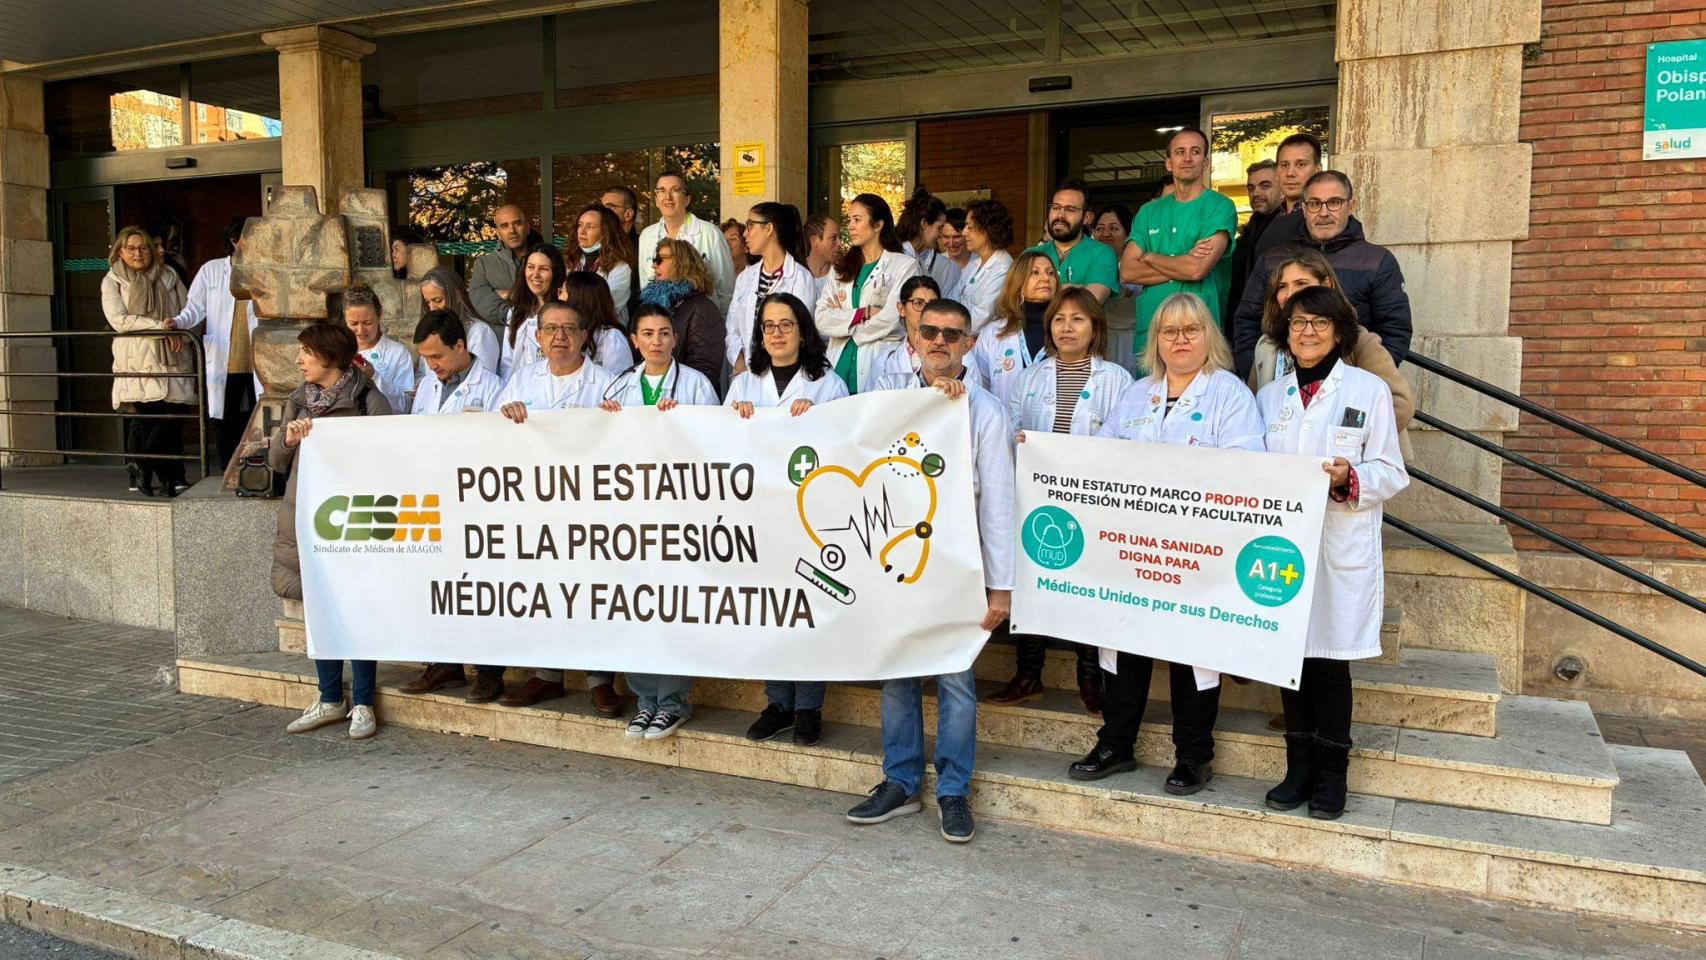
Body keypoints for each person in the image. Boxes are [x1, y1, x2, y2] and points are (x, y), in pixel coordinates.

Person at [1066, 293, 1264, 793]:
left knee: (1192, 649)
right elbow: (1102, 456)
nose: (1179, 340)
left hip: (1199, 552)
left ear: (1208, 337)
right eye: (1168, 331)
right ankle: (1116, 742)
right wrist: (1046, 455)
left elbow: (1248, 466)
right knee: (1125, 639)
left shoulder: (1230, 393)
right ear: (1155, 340)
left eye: (1190, 330)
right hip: (1133, 549)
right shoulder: (1136, 394)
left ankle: (1194, 754)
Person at [848, 298, 1014, 843]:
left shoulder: (985, 411)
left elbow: (997, 502)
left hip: (958, 568)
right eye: (930, 331)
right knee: (897, 675)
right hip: (894, 559)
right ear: (914, 339)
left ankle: (952, 791)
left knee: (956, 682)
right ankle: (899, 782)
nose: (940, 341)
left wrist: (1001, 587)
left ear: (969, 343)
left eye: (952, 333)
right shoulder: (890, 404)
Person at [1256, 285, 1408, 820]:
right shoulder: (1270, 397)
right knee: (1288, 656)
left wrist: (1350, 478)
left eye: (1319, 323)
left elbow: (1392, 470)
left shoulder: (1367, 390)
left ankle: (1332, 775)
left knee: (1328, 663)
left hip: (1339, 539)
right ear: (1285, 331)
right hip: (1281, 544)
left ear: (1339, 331)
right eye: (1298, 323)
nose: (1308, 332)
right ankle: (1297, 769)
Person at [993, 287, 1133, 714]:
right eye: (1059, 319)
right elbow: (1009, 426)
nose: (1067, 327)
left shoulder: (1116, 379)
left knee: (1087, 588)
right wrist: (1020, 442)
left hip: (1093, 504)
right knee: (1033, 584)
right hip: (1037, 500)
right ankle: (1028, 674)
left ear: (1095, 329)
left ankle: (1089, 678)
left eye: (1078, 319)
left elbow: (1125, 442)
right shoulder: (1032, 376)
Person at [490, 299, 620, 710]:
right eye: (551, 329)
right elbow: (488, 439)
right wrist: (504, 416)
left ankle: (601, 679)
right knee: (544, 590)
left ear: (585, 336)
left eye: (569, 329)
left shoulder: (608, 383)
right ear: (538, 337)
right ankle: (546, 675)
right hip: (537, 509)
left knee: (594, 590)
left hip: (591, 509)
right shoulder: (520, 382)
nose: (560, 336)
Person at [730, 293, 848, 745]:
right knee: (769, 611)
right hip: (758, 514)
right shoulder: (744, 385)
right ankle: (777, 700)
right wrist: (735, 420)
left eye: (786, 324)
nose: (776, 334)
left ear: (803, 331)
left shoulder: (828, 385)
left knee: (807, 609)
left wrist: (816, 421)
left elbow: (843, 447)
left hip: (807, 518)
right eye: (768, 325)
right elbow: (718, 447)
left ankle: (808, 707)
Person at [598, 304, 720, 739]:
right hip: (629, 519)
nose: (656, 341)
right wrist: (603, 422)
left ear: (674, 339)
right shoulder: (618, 386)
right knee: (633, 610)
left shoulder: (696, 385)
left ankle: (672, 701)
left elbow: (713, 444)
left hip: (677, 516)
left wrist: (681, 425)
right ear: (634, 340)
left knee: (669, 609)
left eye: (664, 333)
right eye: (647, 333)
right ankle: (644, 699)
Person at [270, 322, 394, 740]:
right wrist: (289, 440)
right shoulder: (297, 400)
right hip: (308, 520)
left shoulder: (367, 399)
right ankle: (328, 698)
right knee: (319, 608)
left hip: (354, 521)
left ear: (330, 357)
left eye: (306, 351)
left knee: (357, 609)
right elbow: (275, 462)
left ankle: (362, 702)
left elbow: (391, 456)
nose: (299, 359)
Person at [401, 310, 508, 702]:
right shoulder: (428, 386)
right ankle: (445, 664)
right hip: (434, 500)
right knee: (440, 585)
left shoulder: (494, 388)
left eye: (438, 357)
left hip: (476, 503)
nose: (432, 366)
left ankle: (489, 671)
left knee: (480, 588)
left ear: (461, 346)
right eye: (427, 358)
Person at [1231, 170, 1413, 379]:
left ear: (1350, 206)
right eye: (1315, 204)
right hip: (1280, 386)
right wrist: (1257, 372)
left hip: (1349, 386)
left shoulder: (1377, 260)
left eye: (1334, 202)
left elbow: (1395, 330)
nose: (1324, 212)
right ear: (1304, 208)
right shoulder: (1273, 259)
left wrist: (1361, 382)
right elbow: (1247, 320)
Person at [1246, 249, 1415, 458]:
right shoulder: (1266, 345)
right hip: (1283, 475)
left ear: (1326, 285)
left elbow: (1400, 402)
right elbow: (1253, 411)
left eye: (1301, 284)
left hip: (1354, 469)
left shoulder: (1358, 340)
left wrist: (1344, 441)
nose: (1290, 293)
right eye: (1282, 286)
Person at [1120, 128, 1238, 367]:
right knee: (1151, 400)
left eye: (1195, 152)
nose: (1187, 158)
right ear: (1169, 163)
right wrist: (1182, 262)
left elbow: (1197, 269)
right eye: (1180, 152)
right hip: (1153, 332)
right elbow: (1128, 272)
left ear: (1205, 162)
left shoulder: (1220, 206)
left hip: (1198, 331)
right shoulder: (1148, 212)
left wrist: (1150, 256)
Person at [103, 225, 193, 497]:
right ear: (120, 251)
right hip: (137, 360)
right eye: (130, 248)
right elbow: (119, 320)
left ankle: (142, 464)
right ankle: (164, 480)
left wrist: (178, 328)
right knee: (151, 420)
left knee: (174, 416)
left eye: (143, 247)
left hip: (172, 356)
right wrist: (159, 326)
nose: (137, 253)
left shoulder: (169, 276)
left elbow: (187, 311)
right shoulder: (113, 280)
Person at [168, 216, 260, 470]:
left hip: (258, 357)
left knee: (258, 414)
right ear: (233, 240)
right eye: (243, 237)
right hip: (224, 356)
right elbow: (194, 309)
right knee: (223, 415)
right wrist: (177, 323)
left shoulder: (264, 269)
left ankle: (255, 466)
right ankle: (226, 467)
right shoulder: (211, 269)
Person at [816, 192, 919, 394]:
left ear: (878, 225)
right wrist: (863, 314)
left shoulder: (903, 266)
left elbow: (891, 317)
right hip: (838, 362)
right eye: (849, 220)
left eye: (857, 219)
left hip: (876, 361)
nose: (850, 226)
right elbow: (821, 319)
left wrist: (845, 327)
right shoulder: (840, 269)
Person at [727, 202, 818, 376]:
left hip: (783, 374)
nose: (745, 233)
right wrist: (740, 364)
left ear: (768, 229)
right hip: (745, 375)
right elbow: (732, 329)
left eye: (750, 225)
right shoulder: (746, 277)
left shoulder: (800, 278)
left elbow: (797, 332)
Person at [968, 250, 1056, 414]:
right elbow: (979, 385)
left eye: (1051, 273)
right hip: (1004, 428)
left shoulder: (1066, 331)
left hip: (1050, 433)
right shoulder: (993, 333)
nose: (1045, 278)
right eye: (1035, 272)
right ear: (1018, 282)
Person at [637, 170, 736, 311]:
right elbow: (645, 285)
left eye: (675, 190)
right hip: (661, 321)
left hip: (702, 320)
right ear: (656, 200)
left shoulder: (710, 233)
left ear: (687, 199)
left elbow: (726, 288)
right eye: (662, 191)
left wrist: (721, 325)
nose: (668, 197)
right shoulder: (647, 236)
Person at [639, 238, 725, 390]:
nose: (654, 265)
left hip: (685, 402)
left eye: (661, 259)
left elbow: (705, 368)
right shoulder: (650, 306)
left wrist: (671, 394)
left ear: (682, 263)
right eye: (654, 260)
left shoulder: (703, 308)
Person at [1030, 178, 1120, 304]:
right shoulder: (1031, 254)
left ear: (1087, 218)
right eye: (1055, 207)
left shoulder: (1103, 253)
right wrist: (1077, 289)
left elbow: (1089, 304)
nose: (1060, 215)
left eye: (1070, 209)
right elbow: (1014, 299)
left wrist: (1041, 292)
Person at [1246, 133, 1323, 270]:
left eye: (1301, 164)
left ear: (1318, 170)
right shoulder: (1272, 218)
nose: (1290, 173)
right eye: (1284, 165)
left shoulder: (1324, 218)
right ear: (1276, 172)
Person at [1227, 159, 1283, 327]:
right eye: (1251, 188)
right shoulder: (1250, 232)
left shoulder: (1289, 228)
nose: (1256, 193)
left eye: (1265, 186)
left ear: (1282, 189)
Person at [498, 244, 566, 380]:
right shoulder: (516, 312)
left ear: (555, 273)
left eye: (544, 269)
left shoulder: (565, 312)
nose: (535, 275)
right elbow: (507, 362)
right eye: (530, 267)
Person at [342, 286, 415, 412]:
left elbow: (406, 405)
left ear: (379, 314)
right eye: (353, 323)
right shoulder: (339, 350)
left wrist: (374, 376)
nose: (360, 330)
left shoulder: (397, 353)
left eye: (367, 323)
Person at [419, 266, 500, 377]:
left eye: (438, 300)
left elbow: (483, 381)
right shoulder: (430, 334)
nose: (432, 309)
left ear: (457, 296)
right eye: (428, 302)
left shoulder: (479, 333)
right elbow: (425, 376)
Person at [566, 203, 636, 327]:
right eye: (580, 225)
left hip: (604, 335)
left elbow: (604, 306)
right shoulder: (574, 262)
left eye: (590, 227)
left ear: (606, 233)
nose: (582, 231)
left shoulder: (620, 267)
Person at [864, 275, 939, 389]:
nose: (926, 310)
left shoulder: (959, 356)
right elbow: (872, 404)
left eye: (933, 304)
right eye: (918, 303)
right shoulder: (885, 362)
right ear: (901, 309)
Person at [561, 272, 634, 377]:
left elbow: (618, 385)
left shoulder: (611, 338)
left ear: (577, 299)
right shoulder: (564, 333)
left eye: (562, 292)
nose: (558, 297)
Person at [959, 198, 1015, 334]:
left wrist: (949, 325)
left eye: (970, 227)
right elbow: (953, 297)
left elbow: (981, 317)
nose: (964, 232)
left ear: (989, 229)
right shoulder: (974, 263)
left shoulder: (1004, 268)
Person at [897, 187, 963, 303]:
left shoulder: (917, 259)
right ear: (924, 224)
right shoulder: (899, 258)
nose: (942, 234)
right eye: (939, 227)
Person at [469, 203, 532, 322]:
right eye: (504, 226)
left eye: (517, 223)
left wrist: (505, 294)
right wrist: (512, 314)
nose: (512, 230)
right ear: (498, 233)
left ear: (527, 227)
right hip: (500, 337)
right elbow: (479, 301)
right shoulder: (483, 265)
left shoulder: (544, 260)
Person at [803, 213, 842, 296]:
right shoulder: (797, 273)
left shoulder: (843, 275)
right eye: (833, 238)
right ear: (814, 241)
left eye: (840, 238)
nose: (840, 243)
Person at [601, 185, 641, 251]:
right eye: (602, 207)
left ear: (628, 214)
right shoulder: (598, 245)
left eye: (610, 207)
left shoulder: (643, 247)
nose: (602, 212)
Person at [940, 207, 973, 273]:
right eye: (946, 237)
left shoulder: (981, 262)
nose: (951, 243)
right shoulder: (935, 264)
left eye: (957, 237)